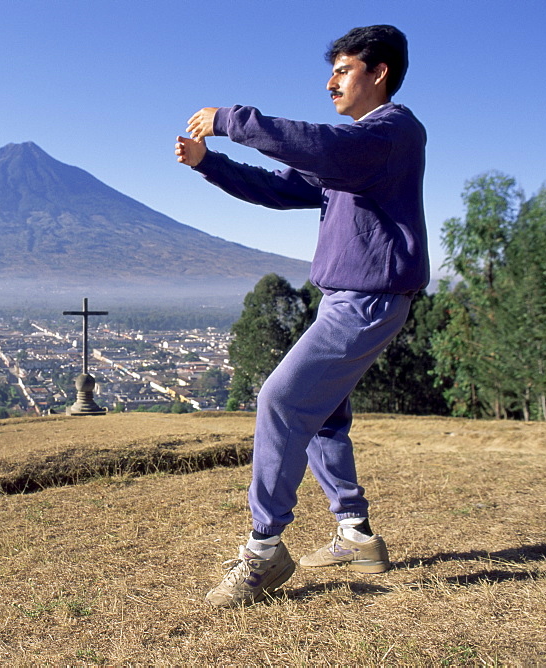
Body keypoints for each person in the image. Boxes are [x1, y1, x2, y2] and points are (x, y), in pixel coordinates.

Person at [175, 25, 429, 608]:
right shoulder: (355, 155)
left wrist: (232, 120)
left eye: (342, 70)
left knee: (281, 400)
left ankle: (264, 553)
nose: (330, 81)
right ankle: (356, 534)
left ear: (378, 72)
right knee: (320, 417)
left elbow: (318, 146)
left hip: (367, 299)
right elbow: (283, 186)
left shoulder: (389, 133)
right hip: (347, 298)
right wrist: (210, 165)